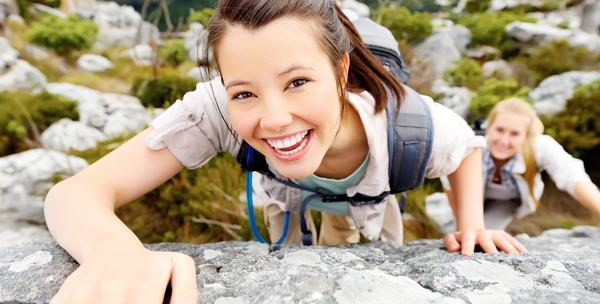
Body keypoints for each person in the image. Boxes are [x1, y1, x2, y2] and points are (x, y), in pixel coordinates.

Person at [44, 1, 526, 302]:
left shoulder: (408, 125)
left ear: (341, 73)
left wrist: (471, 225)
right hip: (286, 201)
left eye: (297, 82)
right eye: (245, 92)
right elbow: (76, 193)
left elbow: (465, 147)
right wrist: (115, 254)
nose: (273, 118)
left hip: (372, 205)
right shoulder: (215, 107)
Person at [444, 98, 600, 230]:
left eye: (514, 134)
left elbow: (571, 175)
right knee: (462, 231)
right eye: (499, 130)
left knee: (486, 234)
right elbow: (449, 181)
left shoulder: (540, 146)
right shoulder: (473, 144)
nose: (504, 141)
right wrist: (462, 225)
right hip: (468, 194)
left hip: (505, 202)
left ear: (527, 136)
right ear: (488, 127)